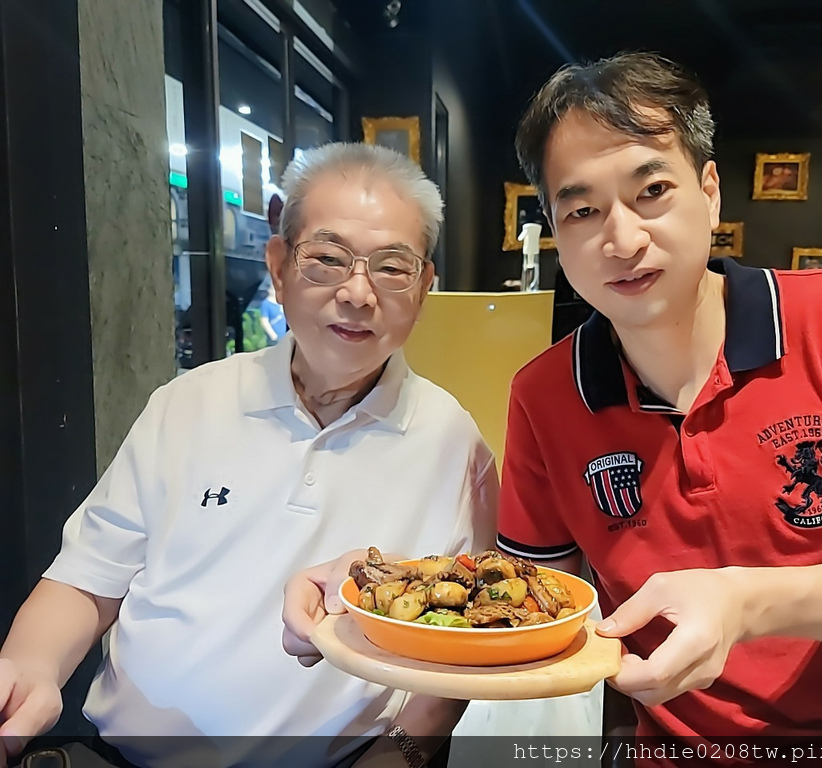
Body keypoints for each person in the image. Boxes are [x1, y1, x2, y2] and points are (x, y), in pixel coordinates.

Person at [493, 51, 822, 763]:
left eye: (652, 190)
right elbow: (528, 603)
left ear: (709, 192)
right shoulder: (544, 395)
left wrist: (744, 602)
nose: (621, 239)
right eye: (583, 210)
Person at [0, 142, 497, 768]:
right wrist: (28, 670)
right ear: (280, 265)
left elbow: (462, 649)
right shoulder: (187, 404)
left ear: (424, 286)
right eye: (328, 259)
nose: (358, 293)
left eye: (392, 267)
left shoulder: (457, 446)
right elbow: (87, 579)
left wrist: (401, 753)